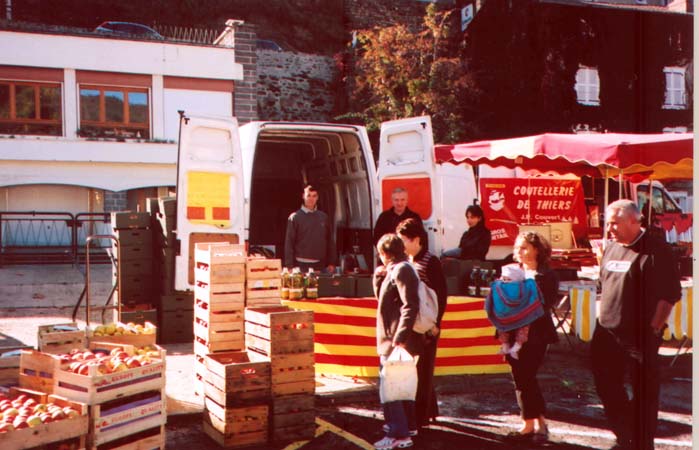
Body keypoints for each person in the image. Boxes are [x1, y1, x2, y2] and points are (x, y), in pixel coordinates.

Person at [591, 199, 681, 450]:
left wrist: (653, 329)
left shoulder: (655, 250)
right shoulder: (610, 248)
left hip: (640, 335)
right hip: (607, 333)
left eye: (614, 223)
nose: (609, 229)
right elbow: (604, 286)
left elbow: (670, 294)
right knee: (606, 386)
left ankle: (641, 443)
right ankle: (626, 436)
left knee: (644, 393)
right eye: (607, 223)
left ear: (635, 220)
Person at [504, 231, 559, 443]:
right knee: (520, 376)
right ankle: (537, 421)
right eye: (518, 247)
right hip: (511, 331)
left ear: (537, 249)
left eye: (525, 247)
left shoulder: (547, 275)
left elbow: (545, 304)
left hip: (536, 333)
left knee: (526, 375)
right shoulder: (511, 271)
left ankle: (532, 422)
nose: (520, 251)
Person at [373, 233, 425, 450]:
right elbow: (382, 299)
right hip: (396, 337)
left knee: (391, 387)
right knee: (402, 384)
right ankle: (407, 426)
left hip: (396, 339)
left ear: (385, 253)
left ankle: (399, 434)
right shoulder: (396, 269)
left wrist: (399, 338)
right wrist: (378, 277)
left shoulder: (402, 270)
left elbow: (410, 305)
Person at [396, 218, 447, 429]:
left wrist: (436, 324)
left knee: (424, 371)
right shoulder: (408, 260)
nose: (401, 245)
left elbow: (441, 295)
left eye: (403, 241)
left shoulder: (430, 261)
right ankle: (429, 410)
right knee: (420, 370)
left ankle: (421, 418)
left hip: (428, 325)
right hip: (416, 325)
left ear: (416, 240)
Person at [487, 264, 543, 360]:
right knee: (521, 327)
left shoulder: (499, 287)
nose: (505, 282)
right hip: (522, 315)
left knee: (509, 328)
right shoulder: (526, 287)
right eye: (504, 279)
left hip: (505, 316)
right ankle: (508, 346)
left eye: (509, 279)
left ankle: (514, 346)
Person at [284, 184, 336, 273]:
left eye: (314, 196)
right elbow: (289, 242)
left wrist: (332, 262)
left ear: (317, 198)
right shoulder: (295, 217)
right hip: (300, 265)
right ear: (303, 196)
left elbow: (330, 241)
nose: (311, 199)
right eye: (308, 195)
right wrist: (289, 265)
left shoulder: (323, 217)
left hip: (320, 265)